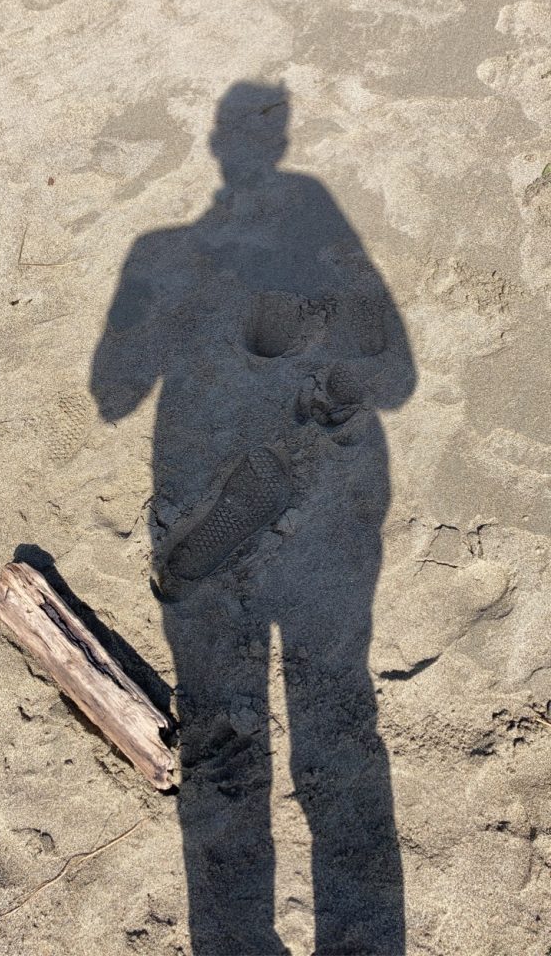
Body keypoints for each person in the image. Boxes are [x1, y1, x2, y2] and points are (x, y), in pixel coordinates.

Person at [91, 81, 416, 955]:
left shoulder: (159, 247)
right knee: (338, 710)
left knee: (221, 725)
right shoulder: (316, 212)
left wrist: (174, 319)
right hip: (335, 495)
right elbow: (403, 376)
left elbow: (112, 395)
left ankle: (278, 420)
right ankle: (310, 402)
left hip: (205, 444)